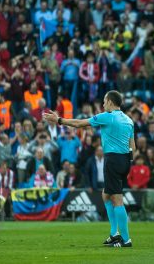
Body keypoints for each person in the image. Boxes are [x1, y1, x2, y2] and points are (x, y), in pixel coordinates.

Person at [43, 90, 135, 248]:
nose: (103, 104)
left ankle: (126, 240)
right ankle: (114, 234)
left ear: (111, 102)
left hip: (112, 159)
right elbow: (132, 145)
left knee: (116, 198)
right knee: (106, 195)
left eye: (105, 101)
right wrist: (127, 162)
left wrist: (58, 120)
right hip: (125, 159)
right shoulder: (128, 120)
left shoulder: (108, 116)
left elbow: (79, 124)